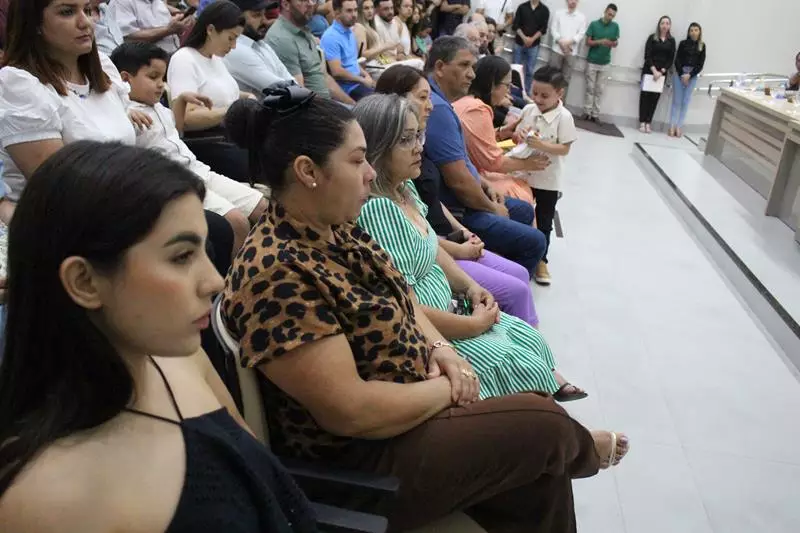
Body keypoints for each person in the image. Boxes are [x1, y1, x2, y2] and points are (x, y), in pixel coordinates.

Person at [220, 85, 629, 533]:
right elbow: (351, 411)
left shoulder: (336, 229)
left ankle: (568, 454)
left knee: (538, 480)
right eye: (357, 161)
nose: (370, 173)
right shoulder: (277, 270)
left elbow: (402, 296)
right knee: (543, 422)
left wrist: (442, 350)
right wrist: (452, 386)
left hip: (410, 410)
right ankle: (583, 450)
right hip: (364, 461)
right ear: (307, 171)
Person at [0, 141, 319, 533]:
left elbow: (267, 487)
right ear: (84, 281)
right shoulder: (45, 502)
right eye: (181, 256)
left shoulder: (184, 360)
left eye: (206, 250)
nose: (215, 281)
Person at [355, 94, 588, 395]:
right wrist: (473, 326)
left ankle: (546, 404)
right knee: (514, 360)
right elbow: (406, 307)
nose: (419, 147)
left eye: (419, 136)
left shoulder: (405, 189)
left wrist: (469, 286)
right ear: (377, 148)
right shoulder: (379, 211)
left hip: (452, 310)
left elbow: (431, 247)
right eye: (405, 140)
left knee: (531, 339)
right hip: (433, 333)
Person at [376, 65, 540, 326]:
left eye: (430, 97)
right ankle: (512, 323)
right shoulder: (389, 177)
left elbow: (428, 203)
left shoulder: (419, 145)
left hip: (447, 230)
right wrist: (461, 246)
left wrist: (462, 230)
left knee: (520, 268)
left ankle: (514, 323)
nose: (430, 106)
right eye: (422, 97)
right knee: (527, 256)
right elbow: (419, 244)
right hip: (443, 244)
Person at [111, 42, 267, 256]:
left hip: (199, 171)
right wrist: (123, 111)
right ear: (125, 79)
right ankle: (233, 284)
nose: (160, 85)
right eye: (152, 77)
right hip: (174, 182)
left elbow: (176, 132)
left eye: (162, 78)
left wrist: (181, 102)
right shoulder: (123, 114)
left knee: (263, 208)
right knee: (237, 223)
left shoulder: (159, 107)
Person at [0, 0, 148, 206]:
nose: (85, 22)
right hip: (69, 222)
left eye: (87, 10)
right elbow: (60, 185)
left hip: (124, 203)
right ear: (34, 24)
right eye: (67, 12)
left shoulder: (103, 68)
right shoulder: (18, 83)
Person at [423, 36, 547, 279]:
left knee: (522, 209)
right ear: (439, 68)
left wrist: (484, 184)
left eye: (473, 67)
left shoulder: (447, 104)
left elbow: (463, 161)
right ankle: (506, 291)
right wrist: (491, 207)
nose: (471, 74)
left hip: (461, 196)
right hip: (456, 208)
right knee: (535, 240)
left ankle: (502, 271)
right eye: (465, 66)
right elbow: (460, 179)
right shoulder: (438, 108)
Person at [509, 66, 576, 286]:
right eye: (535, 93)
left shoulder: (564, 117)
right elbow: (517, 133)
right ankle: (519, 252)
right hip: (523, 172)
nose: (538, 99)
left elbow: (564, 149)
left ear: (560, 94)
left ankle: (542, 260)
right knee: (521, 213)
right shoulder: (529, 109)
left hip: (548, 178)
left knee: (545, 220)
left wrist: (542, 145)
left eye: (544, 95)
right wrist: (518, 135)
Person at [454, 55, 549, 205]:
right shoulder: (478, 110)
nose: (508, 92)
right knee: (521, 192)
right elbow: (493, 162)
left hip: (469, 171)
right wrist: (528, 164)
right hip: (468, 177)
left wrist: (501, 133)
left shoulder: (468, 102)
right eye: (507, 85)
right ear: (492, 85)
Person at [267, 0, 356, 104]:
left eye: (312, 0)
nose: (311, 4)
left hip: (327, 104)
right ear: (286, 5)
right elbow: (300, 95)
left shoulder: (303, 29)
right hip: (313, 112)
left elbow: (324, 77)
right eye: (304, 0)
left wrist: (353, 105)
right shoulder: (282, 39)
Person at [223, 0, 298, 95]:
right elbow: (279, 88)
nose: (264, 20)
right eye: (257, 15)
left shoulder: (262, 45)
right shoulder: (235, 49)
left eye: (264, 14)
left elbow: (291, 81)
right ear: (237, 19)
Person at [321, 0, 376, 100]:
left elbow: (353, 62)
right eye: (349, 11)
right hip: (348, 89)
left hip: (358, 82)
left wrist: (366, 75)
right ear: (337, 13)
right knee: (380, 104)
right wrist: (362, 80)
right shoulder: (330, 36)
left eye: (355, 10)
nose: (354, 15)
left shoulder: (349, 31)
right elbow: (337, 72)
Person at [108, 0, 193, 53]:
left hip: (173, 54)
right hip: (147, 63)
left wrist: (180, 24)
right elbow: (130, 37)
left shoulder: (158, 2)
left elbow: (169, 29)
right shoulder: (121, 2)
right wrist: (169, 30)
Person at [638, 15, 675, 134]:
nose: (665, 25)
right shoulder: (652, 38)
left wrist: (661, 71)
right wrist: (654, 70)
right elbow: (647, 55)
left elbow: (670, 59)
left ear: (670, 26)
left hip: (662, 74)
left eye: (667, 23)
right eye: (663, 23)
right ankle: (642, 122)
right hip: (649, 71)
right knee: (645, 97)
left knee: (655, 99)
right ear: (659, 25)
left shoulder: (671, 41)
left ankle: (649, 122)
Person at [582, 2, 618, 123]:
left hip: (605, 62)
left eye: (613, 16)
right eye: (609, 14)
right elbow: (588, 42)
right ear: (605, 11)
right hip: (592, 60)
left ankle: (595, 114)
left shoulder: (615, 26)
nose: (610, 17)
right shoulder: (594, 24)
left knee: (599, 90)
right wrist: (600, 41)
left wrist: (611, 43)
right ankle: (586, 112)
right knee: (590, 88)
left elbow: (616, 43)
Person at [669, 22, 705, 138]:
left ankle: (679, 126)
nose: (693, 32)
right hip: (679, 74)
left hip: (692, 76)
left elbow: (700, 64)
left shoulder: (702, 46)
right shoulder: (683, 43)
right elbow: (677, 60)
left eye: (696, 30)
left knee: (685, 102)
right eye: (691, 30)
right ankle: (672, 126)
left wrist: (689, 75)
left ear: (699, 32)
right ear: (689, 32)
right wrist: (682, 74)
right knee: (677, 101)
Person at [511, 0, 549, 96]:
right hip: (519, 42)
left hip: (534, 44)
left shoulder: (545, 10)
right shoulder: (522, 7)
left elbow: (543, 29)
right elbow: (515, 25)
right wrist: (524, 38)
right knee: (515, 69)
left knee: (530, 71)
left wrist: (532, 39)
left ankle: (525, 93)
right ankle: (513, 91)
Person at [549, 0, 586, 97]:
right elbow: (553, 29)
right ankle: (549, 102)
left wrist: (568, 43)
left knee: (566, 80)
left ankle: (561, 105)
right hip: (557, 50)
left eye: (575, 0)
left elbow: (581, 34)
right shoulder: (558, 13)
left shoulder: (581, 17)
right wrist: (561, 42)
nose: (573, 1)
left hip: (571, 52)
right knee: (552, 76)